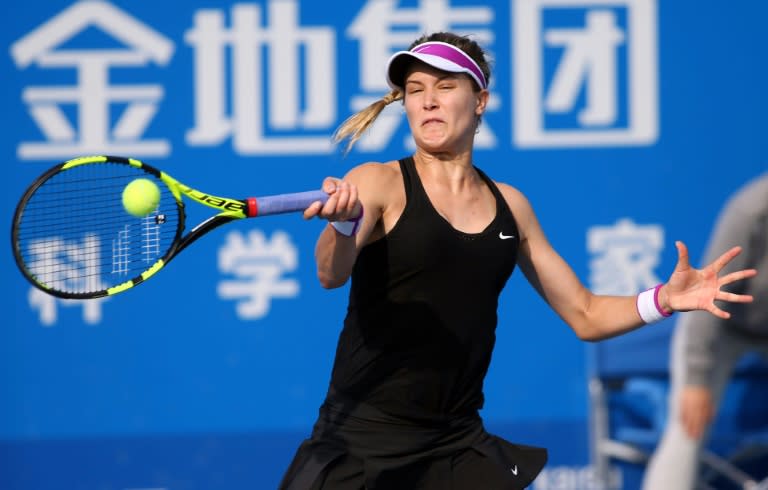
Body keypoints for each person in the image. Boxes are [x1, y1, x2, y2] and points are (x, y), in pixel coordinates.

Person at [281, 31, 758, 490]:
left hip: (456, 445)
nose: (427, 101)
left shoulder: (512, 207)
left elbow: (586, 314)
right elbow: (330, 272)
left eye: (445, 87)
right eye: (415, 90)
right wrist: (342, 226)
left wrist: (665, 299)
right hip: (362, 441)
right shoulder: (377, 181)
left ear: (480, 100)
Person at [642, 173, 768, 490]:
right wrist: (697, 381)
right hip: (721, 324)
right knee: (687, 429)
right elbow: (707, 294)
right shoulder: (751, 209)